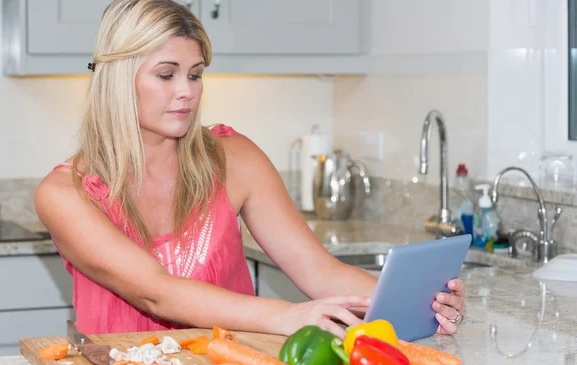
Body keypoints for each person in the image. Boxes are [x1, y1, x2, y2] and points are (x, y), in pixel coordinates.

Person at [34, 0, 465, 339]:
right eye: (166, 75)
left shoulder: (235, 158)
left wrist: (418, 303)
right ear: (117, 79)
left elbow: (319, 272)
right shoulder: (65, 193)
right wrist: (288, 316)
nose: (186, 92)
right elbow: (156, 292)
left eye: (196, 74)